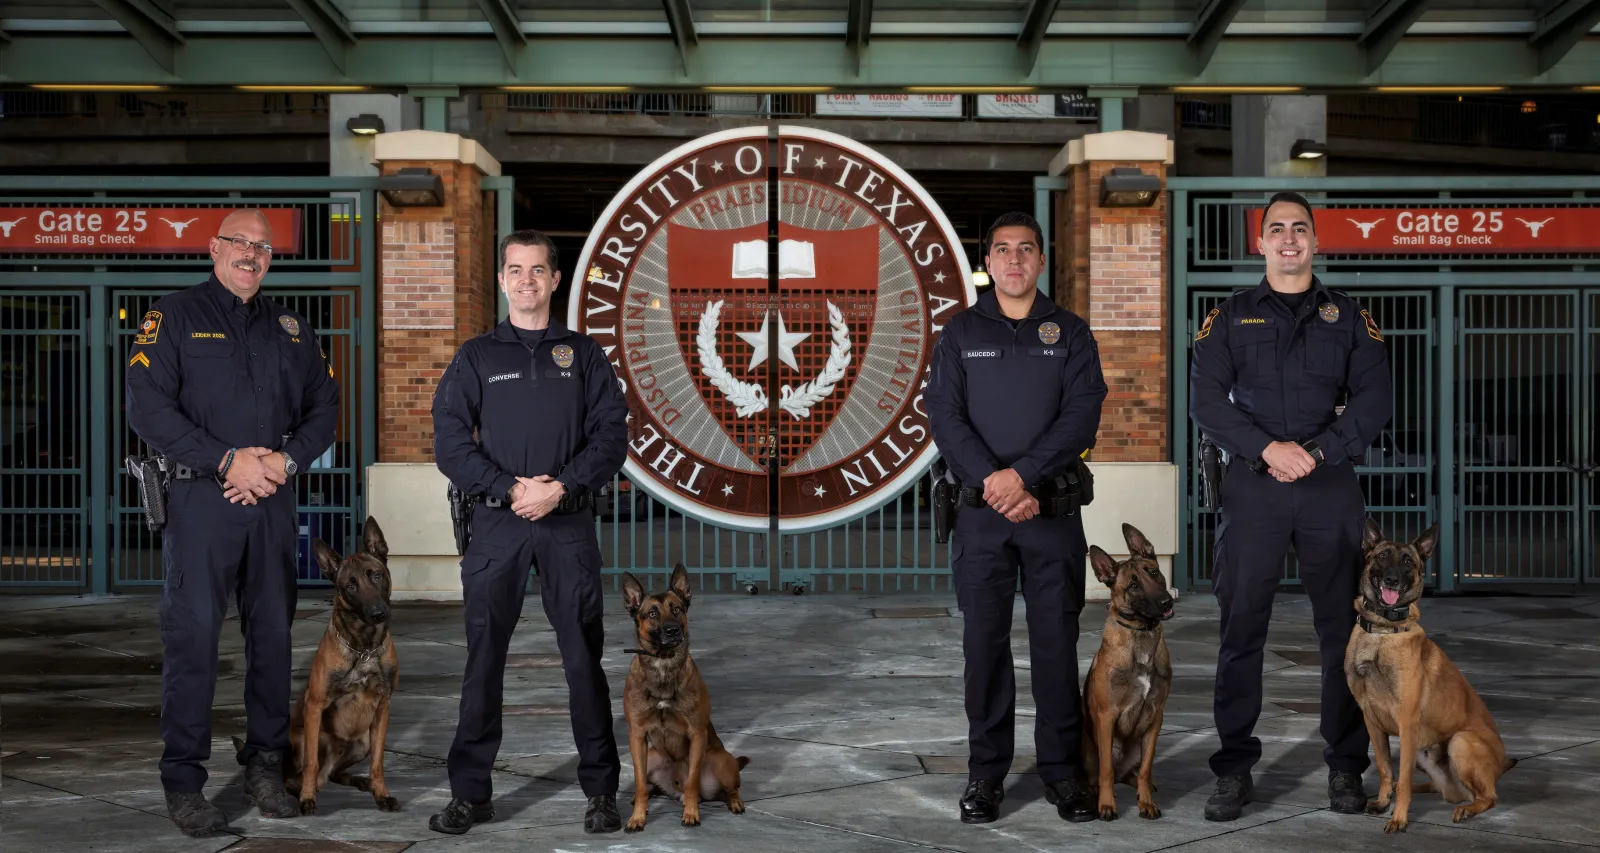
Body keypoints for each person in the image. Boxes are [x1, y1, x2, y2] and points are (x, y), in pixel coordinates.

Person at [125, 209, 341, 837]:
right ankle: (185, 782)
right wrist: (226, 460)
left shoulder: (291, 329)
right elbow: (147, 407)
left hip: (271, 499)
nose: (252, 256)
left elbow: (324, 406)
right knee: (193, 641)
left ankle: (266, 768)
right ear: (214, 248)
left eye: (263, 248)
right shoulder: (174, 316)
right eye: (240, 244)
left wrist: (283, 460)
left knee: (272, 639)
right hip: (200, 501)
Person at [1189, 191, 1393, 821]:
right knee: (1241, 630)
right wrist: (1268, 450)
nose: (1287, 240)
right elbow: (1207, 401)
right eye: (1275, 229)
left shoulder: (1350, 318)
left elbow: (1374, 398)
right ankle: (1233, 770)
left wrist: (1321, 451)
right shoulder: (1228, 318)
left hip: (1328, 486)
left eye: (1298, 229)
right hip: (1253, 487)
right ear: (1260, 243)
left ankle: (1344, 768)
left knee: (1344, 635)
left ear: (1314, 239)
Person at [430, 229, 630, 835]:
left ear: (555, 279)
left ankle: (600, 792)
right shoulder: (477, 357)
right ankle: (471, 795)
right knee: (483, 662)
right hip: (497, 525)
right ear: (501, 280)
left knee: (582, 663)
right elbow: (448, 442)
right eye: (515, 270)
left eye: (537, 270)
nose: (526, 280)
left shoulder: (585, 355)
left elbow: (611, 437)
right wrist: (511, 489)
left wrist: (560, 489)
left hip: (566, 525)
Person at [925, 211, 1109, 824]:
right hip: (981, 520)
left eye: (1025, 250)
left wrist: (1022, 476)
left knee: (1056, 647)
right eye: (1001, 250)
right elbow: (945, 419)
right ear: (989, 262)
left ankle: (1063, 774)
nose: (1013, 260)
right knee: (985, 649)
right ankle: (986, 776)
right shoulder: (959, 333)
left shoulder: (1071, 333)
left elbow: (1081, 417)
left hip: (1050, 515)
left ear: (1040, 260)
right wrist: (996, 484)